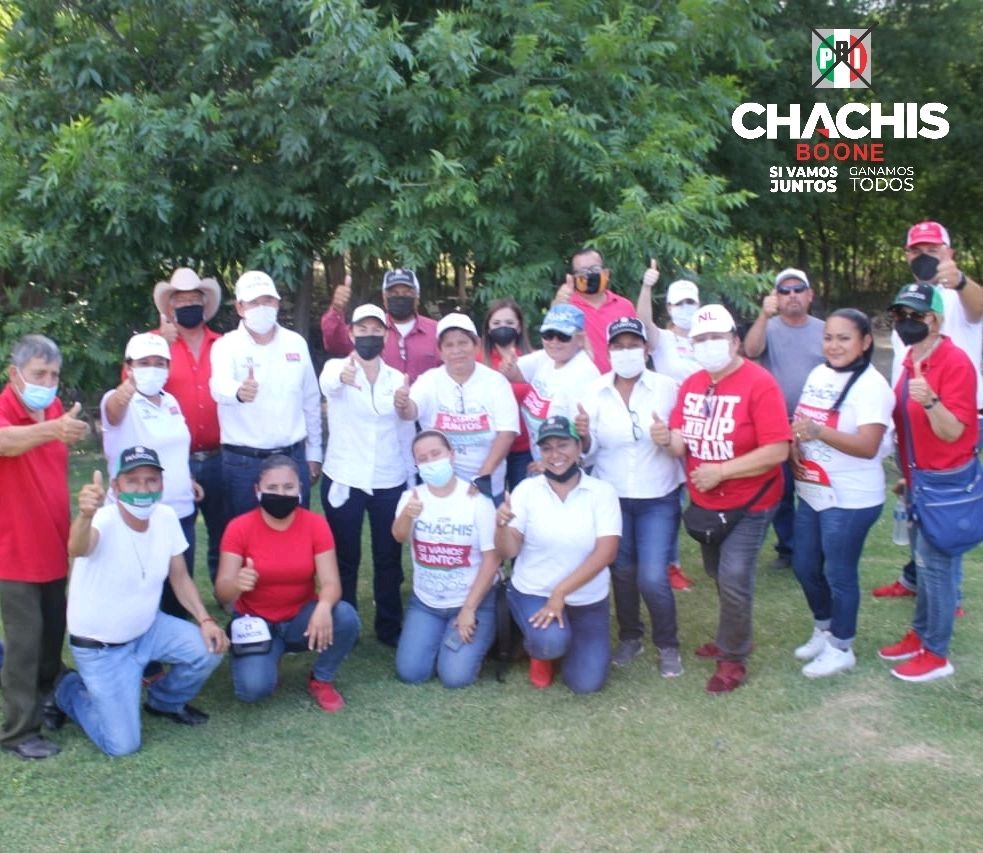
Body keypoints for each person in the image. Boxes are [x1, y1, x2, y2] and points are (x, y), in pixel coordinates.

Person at [55, 447, 227, 757]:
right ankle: (66, 687)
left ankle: (164, 702)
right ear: (115, 485)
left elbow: (180, 576)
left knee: (208, 648)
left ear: (162, 484)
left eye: (151, 480)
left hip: (148, 630)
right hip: (102, 649)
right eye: (132, 481)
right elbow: (78, 547)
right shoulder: (102, 520)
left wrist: (205, 619)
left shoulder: (165, 516)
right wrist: (83, 515)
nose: (143, 489)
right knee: (121, 745)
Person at [664, 305, 790, 693]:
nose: (708, 345)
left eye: (716, 338)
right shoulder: (692, 384)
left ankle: (733, 657)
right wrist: (665, 438)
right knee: (718, 573)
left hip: (751, 499)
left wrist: (722, 471)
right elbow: (679, 440)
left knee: (734, 576)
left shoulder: (759, 382)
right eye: (700, 339)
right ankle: (732, 635)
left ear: (735, 341)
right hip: (707, 504)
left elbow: (778, 450)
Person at [874, 220, 983, 601]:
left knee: (945, 511)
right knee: (916, 503)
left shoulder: (957, 296)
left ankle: (945, 597)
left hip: (950, 417)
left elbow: (980, 308)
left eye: (933, 249)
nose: (924, 257)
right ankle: (915, 579)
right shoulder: (911, 302)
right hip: (912, 418)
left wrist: (962, 281)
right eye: (916, 250)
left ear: (949, 252)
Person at [877, 284, 978, 682]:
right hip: (919, 477)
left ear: (935, 319)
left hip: (947, 480)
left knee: (938, 567)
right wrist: (907, 473)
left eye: (916, 315)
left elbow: (954, 432)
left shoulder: (955, 363)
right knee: (923, 561)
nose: (906, 322)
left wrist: (932, 401)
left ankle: (936, 653)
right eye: (900, 314)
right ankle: (920, 635)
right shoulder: (911, 359)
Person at [576, 318, 685, 675]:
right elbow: (588, 456)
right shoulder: (593, 392)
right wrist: (584, 437)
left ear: (646, 348)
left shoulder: (668, 388)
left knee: (652, 575)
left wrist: (667, 438)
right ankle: (630, 636)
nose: (626, 352)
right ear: (609, 352)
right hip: (613, 495)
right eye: (619, 346)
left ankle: (668, 645)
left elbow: (685, 444)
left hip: (658, 494)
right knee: (621, 571)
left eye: (633, 344)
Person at [788, 309, 894, 678]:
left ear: (865, 342)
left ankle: (841, 647)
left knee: (839, 573)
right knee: (804, 564)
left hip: (851, 498)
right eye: (829, 337)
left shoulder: (872, 387)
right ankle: (824, 627)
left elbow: (868, 446)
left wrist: (819, 432)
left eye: (844, 338)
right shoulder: (819, 374)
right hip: (813, 491)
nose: (834, 345)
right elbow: (802, 424)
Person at [0, 335, 89, 760]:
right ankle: (17, 732)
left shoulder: (53, 408)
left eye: (54, 374)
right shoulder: (6, 410)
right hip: (13, 552)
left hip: (54, 544)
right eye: (39, 374)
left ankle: (47, 699)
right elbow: (5, 442)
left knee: (53, 636)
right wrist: (50, 430)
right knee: (24, 644)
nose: (48, 382)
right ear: (13, 374)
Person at [214, 455, 360, 710]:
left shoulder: (315, 524)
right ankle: (266, 655)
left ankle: (321, 679)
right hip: (255, 621)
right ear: (257, 491)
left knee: (345, 616)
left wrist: (324, 607)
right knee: (253, 690)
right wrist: (237, 583)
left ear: (300, 490)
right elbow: (222, 591)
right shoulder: (239, 527)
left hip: (301, 619)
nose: (281, 494)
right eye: (272, 488)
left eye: (288, 487)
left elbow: (331, 582)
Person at [494, 416, 621, 694]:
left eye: (563, 445)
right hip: (534, 591)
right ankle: (541, 651)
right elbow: (509, 550)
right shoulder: (527, 490)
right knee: (550, 642)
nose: (555, 455)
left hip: (586, 599)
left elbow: (607, 552)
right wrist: (501, 527)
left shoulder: (602, 492)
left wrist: (560, 593)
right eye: (547, 448)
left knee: (586, 684)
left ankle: (565, 636)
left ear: (578, 447)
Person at [320, 304, 415, 647]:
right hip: (345, 475)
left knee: (388, 556)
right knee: (346, 555)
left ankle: (389, 627)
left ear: (386, 335)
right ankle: (345, 625)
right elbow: (328, 384)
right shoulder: (337, 366)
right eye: (362, 330)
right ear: (351, 333)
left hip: (388, 477)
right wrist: (342, 378)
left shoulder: (396, 378)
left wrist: (406, 406)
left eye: (376, 330)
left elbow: (407, 425)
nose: (369, 336)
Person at [210, 270, 323, 519]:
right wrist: (238, 392)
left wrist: (314, 453)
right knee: (244, 538)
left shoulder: (296, 343)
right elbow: (217, 386)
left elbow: (311, 401)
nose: (262, 307)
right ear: (240, 307)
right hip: (243, 463)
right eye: (254, 302)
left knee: (295, 535)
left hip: (292, 456)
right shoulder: (226, 346)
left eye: (268, 300)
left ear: (277, 303)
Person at [102, 332, 198, 623]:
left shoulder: (171, 402)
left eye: (160, 362)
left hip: (180, 509)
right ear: (129, 366)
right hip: (137, 510)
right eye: (144, 362)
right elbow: (114, 411)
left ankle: (177, 643)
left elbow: (174, 447)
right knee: (140, 589)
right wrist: (125, 391)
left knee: (178, 585)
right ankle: (146, 659)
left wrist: (187, 478)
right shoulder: (118, 400)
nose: (153, 368)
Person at [392, 431, 500, 687]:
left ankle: (481, 630)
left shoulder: (476, 500)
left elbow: (492, 559)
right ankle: (443, 640)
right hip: (427, 602)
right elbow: (399, 536)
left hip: (471, 600)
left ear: (451, 455)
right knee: (411, 673)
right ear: (416, 465)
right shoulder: (412, 498)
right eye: (423, 458)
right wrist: (409, 514)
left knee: (455, 678)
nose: (431, 462)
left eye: (436, 454)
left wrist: (469, 609)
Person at [743, 268, 824, 570]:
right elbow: (750, 350)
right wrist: (763, 317)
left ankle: (814, 549)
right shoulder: (769, 327)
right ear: (776, 297)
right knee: (782, 489)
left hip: (816, 425)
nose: (792, 296)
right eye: (784, 291)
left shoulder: (824, 329)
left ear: (809, 294)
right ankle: (788, 548)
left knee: (815, 486)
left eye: (798, 289)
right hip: (777, 422)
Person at [152, 267, 227, 586]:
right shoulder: (151, 347)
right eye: (180, 299)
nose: (187, 304)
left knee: (224, 530)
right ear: (170, 307)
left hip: (220, 455)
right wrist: (163, 349)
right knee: (176, 535)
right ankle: (177, 599)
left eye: (194, 298)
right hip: (172, 461)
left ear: (204, 302)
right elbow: (131, 394)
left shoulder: (224, 345)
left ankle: (226, 591)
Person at [395, 313, 519, 502]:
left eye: (463, 343)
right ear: (440, 351)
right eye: (449, 345)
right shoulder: (429, 380)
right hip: (440, 487)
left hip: (487, 486)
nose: (456, 351)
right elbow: (411, 412)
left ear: (476, 344)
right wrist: (403, 404)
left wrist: (482, 477)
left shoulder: (496, 383)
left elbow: (507, 433)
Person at [636, 260, 702, 591]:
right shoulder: (661, 339)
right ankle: (670, 563)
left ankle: (718, 555)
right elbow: (642, 322)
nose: (685, 309)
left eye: (691, 302)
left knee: (705, 495)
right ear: (669, 307)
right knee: (673, 500)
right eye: (679, 303)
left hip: (705, 426)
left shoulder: (709, 338)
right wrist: (647, 285)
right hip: (670, 427)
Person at [321, 269, 440, 383]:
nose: (400, 297)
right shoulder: (369, 330)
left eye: (407, 293)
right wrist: (336, 309)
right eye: (393, 293)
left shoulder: (437, 331)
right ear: (384, 298)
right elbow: (335, 343)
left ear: (417, 298)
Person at [516, 304, 599, 467]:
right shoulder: (547, 358)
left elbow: (588, 444)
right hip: (544, 463)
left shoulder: (583, 376)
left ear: (580, 339)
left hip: (566, 470)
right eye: (548, 334)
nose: (554, 342)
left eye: (563, 336)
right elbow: (509, 372)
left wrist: (550, 465)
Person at [553, 247, 637, 373]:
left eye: (595, 269)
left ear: (606, 273)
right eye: (582, 271)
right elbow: (553, 341)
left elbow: (636, 343)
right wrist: (558, 307)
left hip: (621, 381)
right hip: (580, 382)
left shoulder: (625, 306)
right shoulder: (566, 306)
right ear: (574, 277)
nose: (589, 275)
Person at [480, 298, 534, 490]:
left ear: (519, 327)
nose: (503, 327)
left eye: (510, 323)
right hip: (489, 447)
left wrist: (517, 378)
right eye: (496, 323)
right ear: (488, 328)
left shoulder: (533, 359)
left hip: (524, 448)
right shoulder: (477, 361)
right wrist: (500, 381)